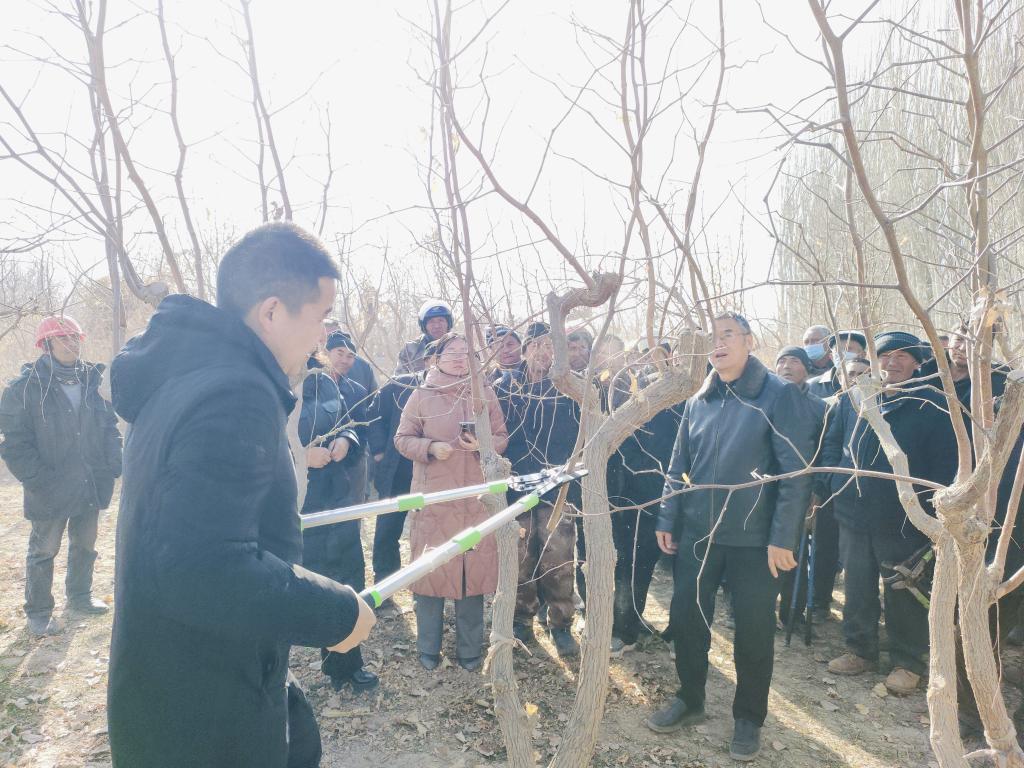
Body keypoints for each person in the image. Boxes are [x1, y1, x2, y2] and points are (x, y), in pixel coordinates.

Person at [107, 222, 376, 768]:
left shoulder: (187, 375)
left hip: (175, 678)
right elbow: (203, 568)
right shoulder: (235, 393)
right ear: (272, 312)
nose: (322, 338)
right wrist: (338, 613)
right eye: (320, 318)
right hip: (203, 714)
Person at [646, 312, 816, 762]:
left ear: (749, 341)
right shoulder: (699, 399)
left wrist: (783, 538)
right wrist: (668, 516)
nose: (718, 344)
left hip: (755, 540)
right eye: (712, 338)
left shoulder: (778, 395)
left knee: (754, 632)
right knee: (687, 619)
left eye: (727, 335)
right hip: (698, 535)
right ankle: (690, 698)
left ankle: (749, 718)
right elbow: (678, 464)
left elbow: (795, 474)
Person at [820, 331, 957, 696]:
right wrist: (835, 482)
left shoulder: (932, 403)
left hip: (904, 519)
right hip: (852, 511)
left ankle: (907, 662)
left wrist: (930, 512)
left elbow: (946, 464)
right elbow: (832, 444)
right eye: (885, 355)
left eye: (902, 356)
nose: (892, 362)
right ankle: (859, 649)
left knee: (903, 590)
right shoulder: (854, 397)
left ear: (917, 363)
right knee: (856, 585)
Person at [0, 315, 122, 636]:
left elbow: (109, 427)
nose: (70, 343)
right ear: (46, 344)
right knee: (43, 551)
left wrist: (113, 463)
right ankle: (39, 612)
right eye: (62, 338)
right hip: (49, 487)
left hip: (89, 482)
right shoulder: (26, 388)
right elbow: (14, 443)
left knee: (85, 544)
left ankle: (80, 596)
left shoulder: (94, 381)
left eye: (74, 337)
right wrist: (38, 480)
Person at [395, 332, 508, 670]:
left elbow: (501, 436)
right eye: (453, 352)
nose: (460, 358)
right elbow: (402, 438)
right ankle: (428, 648)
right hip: (435, 497)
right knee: (430, 570)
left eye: (466, 352)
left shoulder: (484, 392)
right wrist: (429, 447)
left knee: (471, 573)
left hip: (475, 496)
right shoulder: (422, 394)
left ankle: (470, 651)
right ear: (436, 358)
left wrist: (483, 446)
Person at [497, 321, 582, 658]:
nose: (543, 352)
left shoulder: (568, 387)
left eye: (549, 345)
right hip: (516, 487)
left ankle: (560, 624)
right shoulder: (506, 387)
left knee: (559, 560)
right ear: (525, 349)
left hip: (558, 489)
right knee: (520, 559)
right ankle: (521, 620)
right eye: (536, 345)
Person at [298, 361, 379, 693]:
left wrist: (346, 440)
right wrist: (300, 457)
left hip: (338, 497)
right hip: (296, 505)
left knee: (346, 582)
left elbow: (350, 424)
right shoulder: (267, 377)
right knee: (306, 586)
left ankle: (346, 664)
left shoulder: (324, 379)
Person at [607, 346, 682, 657]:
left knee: (682, 570)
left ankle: (676, 632)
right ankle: (624, 629)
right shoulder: (637, 393)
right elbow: (623, 444)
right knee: (630, 565)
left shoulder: (696, 394)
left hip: (683, 495)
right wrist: (650, 479)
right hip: (637, 495)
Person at [367, 341, 439, 607]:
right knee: (387, 530)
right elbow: (373, 415)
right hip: (397, 470)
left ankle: (428, 590)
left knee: (430, 532)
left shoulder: (453, 390)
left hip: (434, 472)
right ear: (426, 361)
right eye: (432, 358)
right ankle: (385, 588)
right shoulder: (400, 384)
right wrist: (378, 451)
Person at [773, 346, 828, 627]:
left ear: (807, 368)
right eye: (781, 361)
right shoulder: (762, 400)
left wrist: (816, 492)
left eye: (794, 361)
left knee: (794, 553)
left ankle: (792, 613)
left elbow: (824, 453)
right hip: (764, 488)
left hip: (801, 494)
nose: (786, 366)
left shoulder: (821, 407)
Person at [323, 332, 371, 504]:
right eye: (340, 353)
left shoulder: (357, 391)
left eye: (350, 356)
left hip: (348, 468)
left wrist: (347, 443)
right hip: (313, 468)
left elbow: (362, 433)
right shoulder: (308, 385)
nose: (345, 360)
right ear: (326, 353)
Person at [395, 299, 454, 374]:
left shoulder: (460, 346)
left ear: (449, 323)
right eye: (431, 321)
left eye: (441, 320)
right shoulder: (411, 349)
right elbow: (398, 378)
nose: (437, 326)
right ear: (424, 326)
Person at [807, 331, 867, 398]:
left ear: (862, 355)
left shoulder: (873, 382)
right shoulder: (812, 387)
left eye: (847, 349)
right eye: (837, 350)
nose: (841, 354)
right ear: (831, 357)